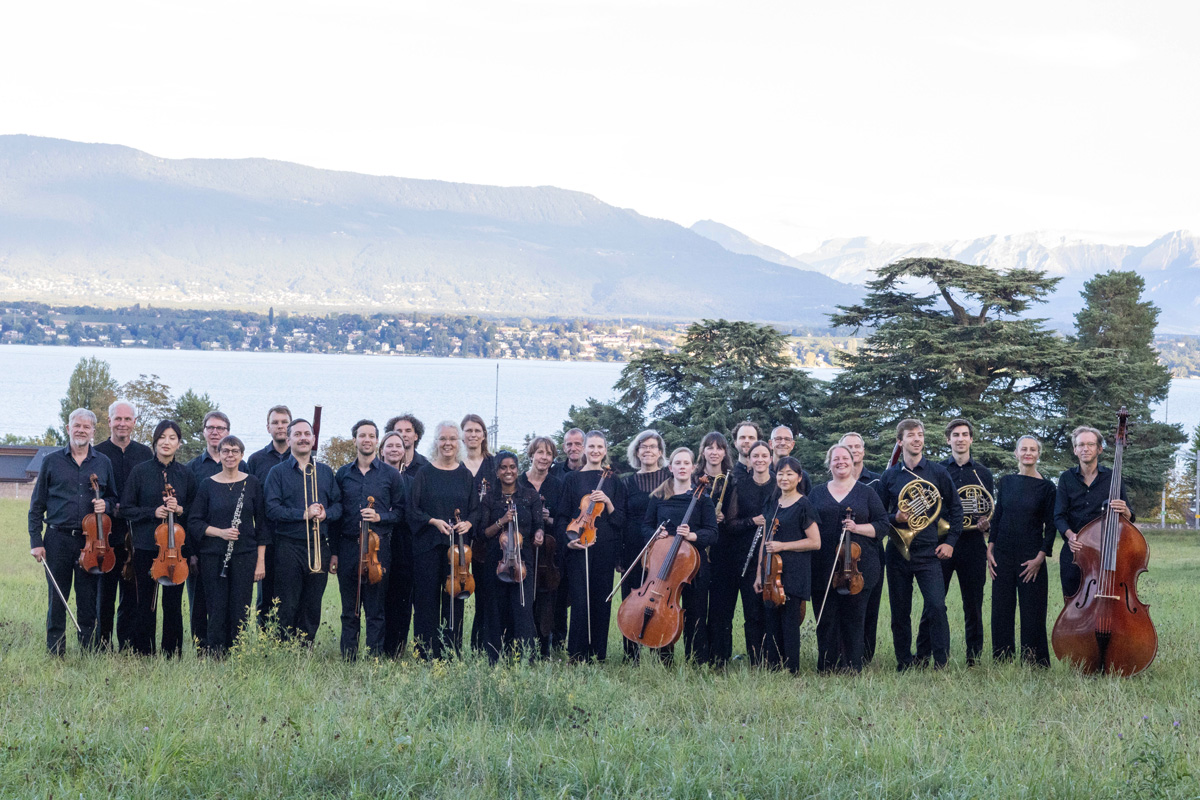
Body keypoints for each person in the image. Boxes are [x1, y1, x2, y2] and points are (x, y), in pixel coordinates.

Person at [28, 408, 118, 655]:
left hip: (91, 542)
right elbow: (36, 506)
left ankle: (88, 651)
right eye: (77, 425)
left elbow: (114, 499)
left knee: (88, 599)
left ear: (93, 431)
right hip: (57, 539)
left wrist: (106, 504)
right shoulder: (51, 461)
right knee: (58, 598)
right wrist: (36, 541)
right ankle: (56, 651)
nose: (81, 430)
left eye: (86, 427)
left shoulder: (103, 462)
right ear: (68, 428)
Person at [879, 419, 963, 671]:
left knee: (937, 606)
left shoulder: (937, 472)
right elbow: (879, 516)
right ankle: (904, 662)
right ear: (900, 441)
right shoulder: (890, 475)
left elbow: (956, 509)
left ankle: (941, 662)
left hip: (929, 552)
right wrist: (896, 517)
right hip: (898, 552)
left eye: (920, 435)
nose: (917, 439)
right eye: (911, 435)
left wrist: (950, 542)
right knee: (900, 611)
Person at [916, 419, 994, 666]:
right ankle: (922, 655)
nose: (960, 439)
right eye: (956, 435)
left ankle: (974, 658)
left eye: (964, 434)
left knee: (973, 604)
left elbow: (987, 508)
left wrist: (986, 525)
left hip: (972, 544)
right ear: (948, 440)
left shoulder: (983, 473)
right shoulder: (937, 470)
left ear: (971, 439)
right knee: (934, 603)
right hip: (942, 543)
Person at [808, 444, 887, 673]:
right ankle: (827, 666)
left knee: (854, 617)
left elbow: (883, 525)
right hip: (823, 565)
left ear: (853, 463)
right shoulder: (817, 493)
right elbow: (807, 523)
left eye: (845, 458)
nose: (840, 462)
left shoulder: (867, 492)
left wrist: (857, 528)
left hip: (858, 567)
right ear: (829, 464)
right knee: (826, 617)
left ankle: (853, 665)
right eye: (836, 459)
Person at [330, 420, 405, 660]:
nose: (367, 440)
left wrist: (380, 516)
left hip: (377, 549)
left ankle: (374, 658)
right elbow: (336, 516)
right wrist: (334, 552)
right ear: (355, 440)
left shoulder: (391, 474)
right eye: (362, 435)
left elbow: (401, 512)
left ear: (377, 441)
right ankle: (348, 657)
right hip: (348, 546)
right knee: (349, 609)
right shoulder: (342, 474)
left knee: (376, 609)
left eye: (371, 436)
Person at [122, 420, 197, 657]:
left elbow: (196, 510)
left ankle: (172, 653)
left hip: (175, 549)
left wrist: (180, 509)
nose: (167, 442)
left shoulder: (185, 474)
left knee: (173, 604)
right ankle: (144, 651)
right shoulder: (140, 471)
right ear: (155, 441)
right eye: (162, 437)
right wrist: (152, 512)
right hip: (146, 547)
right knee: (145, 602)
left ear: (179, 443)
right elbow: (125, 508)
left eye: (172, 438)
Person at [264, 418, 342, 643]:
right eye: (297, 434)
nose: (303, 438)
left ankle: (305, 649)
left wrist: (326, 513)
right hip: (288, 546)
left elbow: (339, 506)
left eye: (307, 434)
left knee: (312, 603)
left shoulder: (325, 472)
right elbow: (271, 509)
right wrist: (303, 514)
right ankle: (284, 649)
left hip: (319, 546)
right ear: (288, 440)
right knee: (286, 603)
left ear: (313, 439)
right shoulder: (277, 472)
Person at [189, 435, 267, 657]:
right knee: (216, 606)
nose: (230, 455)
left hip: (245, 555)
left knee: (240, 606)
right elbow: (194, 522)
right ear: (219, 454)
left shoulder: (252, 483)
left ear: (241, 455)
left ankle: (237, 653)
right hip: (213, 555)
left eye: (234, 451)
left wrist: (260, 562)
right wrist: (220, 533)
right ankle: (216, 653)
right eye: (225, 451)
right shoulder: (207, 484)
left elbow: (262, 526)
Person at [406, 421, 479, 659]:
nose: (448, 443)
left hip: (457, 551)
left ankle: (451, 652)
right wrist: (433, 521)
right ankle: (425, 653)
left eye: (452, 439)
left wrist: (468, 523)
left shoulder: (465, 475)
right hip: (427, 547)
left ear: (458, 443)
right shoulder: (424, 473)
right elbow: (412, 510)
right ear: (436, 442)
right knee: (426, 601)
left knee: (454, 600)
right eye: (443, 439)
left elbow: (475, 511)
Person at [639, 447, 717, 664]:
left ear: (693, 468)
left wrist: (693, 535)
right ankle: (662, 659)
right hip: (663, 564)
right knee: (661, 610)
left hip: (692, 565)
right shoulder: (658, 496)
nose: (682, 467)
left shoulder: (703, 498)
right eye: (678, 463)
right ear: (670, 467)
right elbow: (645, 527)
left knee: (696, 612)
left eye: (686, 463)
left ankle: (696, 660)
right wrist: (656, 534)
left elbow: (713, 533)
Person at [988, 435, 1056, 666]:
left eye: (1033, 449)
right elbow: (998, 516)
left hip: (1031, 556)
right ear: (1016, 453)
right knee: (1001, 609)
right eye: (1024, 449)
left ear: (1038, 454)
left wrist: (1041, 557)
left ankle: (1034, 661)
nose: (1028, 453)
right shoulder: (1006, 482)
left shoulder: (1047, 488)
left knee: (1033, 611)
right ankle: (1002, 659)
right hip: (1002, 554)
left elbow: (1051, 526)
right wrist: (990, 548)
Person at [558, 430, 625, 662]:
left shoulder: (614, 481)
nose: (595, 451)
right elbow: (563, 516)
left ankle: (598, 654)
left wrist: (608, 502)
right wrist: (569, 541)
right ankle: (577, 654)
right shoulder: (571, 479)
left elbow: (620, 521)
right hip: (579, 546)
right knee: (580, 600)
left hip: (605, 547)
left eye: (600, 447)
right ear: (584, 449)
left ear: (605, 450)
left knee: (601, 600)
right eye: (591, 446)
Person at [93, 399, 153, 651]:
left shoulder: (145, 453)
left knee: (131, 595)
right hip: (105, 535)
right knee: (104, 595)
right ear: (109, 421)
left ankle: (127, 645)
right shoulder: (97, 453)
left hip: (136, 535)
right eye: (118, 418)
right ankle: (102, 645)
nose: (122, 423)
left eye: (128, 419)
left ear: (135, 422)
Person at [753, 457, 821, 674]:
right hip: (770, 572)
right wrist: (759, 574)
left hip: (794, 571)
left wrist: (783, 546)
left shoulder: (804, 505)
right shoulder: (772, 502)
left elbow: (815, 542)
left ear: (799, 478)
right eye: (781, 473)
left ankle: (792, 670)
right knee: (771, 621)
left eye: (790, 474)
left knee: (790, 623)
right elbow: (765, 541)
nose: (784, 478)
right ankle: (773, 667)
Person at [1055, 425, 1134, 599]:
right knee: (1073, 604)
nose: (1085, 448)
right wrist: (1070, 536)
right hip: (1074, 552)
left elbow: (1130, 516)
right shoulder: (1066, 478)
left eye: (1090, 444)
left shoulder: (1113, 477)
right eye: (1081, 445)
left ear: (1099, 449)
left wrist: (1126, 511)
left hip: (1105, 552)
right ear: (1075, 450)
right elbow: (1059, 516)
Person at [478, 451, 543, 662]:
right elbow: (483, 533)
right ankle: (496, 656)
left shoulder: (530, 495)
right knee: (497, 608)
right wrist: (502, 521)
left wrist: (539, 534)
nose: (509, 471)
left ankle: (524, 657)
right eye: (503, 467)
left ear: (517, 469)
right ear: (497, 472)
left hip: (522, 560)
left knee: (522, 608)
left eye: (512, 467)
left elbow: (538, 525)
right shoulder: (490, 499)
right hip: (496, 561)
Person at [186, 411, 243, 651]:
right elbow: (189, 515)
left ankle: (228, 649)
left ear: (227, 432)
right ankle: (202, 650)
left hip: (233, 550)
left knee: (229, 602)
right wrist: (191, 552)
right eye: (210, 427)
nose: (215, 432)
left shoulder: (242, 466)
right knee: (199, 602)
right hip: (200, 547)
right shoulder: (192, 468)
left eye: (220, 428)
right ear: (204, 432)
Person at [618, 429, 669, 663]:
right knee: (632, 599)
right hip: (632, 547)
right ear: (637, 452)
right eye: (643, 447)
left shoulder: (669, 478)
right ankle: (631, 655)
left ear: (660, 452)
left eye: (652, 447)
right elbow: (622, 518)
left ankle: (662, 652)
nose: (648, 450)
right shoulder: (627, 482)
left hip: (663, 548)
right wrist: (619, 555)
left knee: (660, 599)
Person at [840, 431, 886, 664]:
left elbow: (884, 518)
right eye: (848, 447)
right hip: (842, 554)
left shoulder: (877, 481)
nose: (854, 450)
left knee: (870, 605)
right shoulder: (834, 481)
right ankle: (843, 652)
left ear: (863, 450)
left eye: (857, 446)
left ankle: (866, 655)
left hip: (870, 552)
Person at [248, 405, 291, 628]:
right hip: (267, 536)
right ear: (268, 428)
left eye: (284, 422)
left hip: (294, 537)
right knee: (265, 594)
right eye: (275, 422)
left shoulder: (305, 459)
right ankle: (264, 638)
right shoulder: (256, 460)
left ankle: (289, 639)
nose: (280, 426)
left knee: (291, 594)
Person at [520, 436, 563, 656]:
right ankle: (522, 644)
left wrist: (549, 519)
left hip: (549, 553)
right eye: (540, 452)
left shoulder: (558, 485)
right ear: (532, 455)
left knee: (547, 600)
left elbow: (564, 520)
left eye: (549, 454)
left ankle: (546, 646)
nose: (544, 457)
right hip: (523, 549)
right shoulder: (519, 482)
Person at [461, 413, 496, 652]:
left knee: (486, 592)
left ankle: (481, 645)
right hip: (460, 533)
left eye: (477, 430)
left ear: (484, 435)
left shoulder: (494, 464)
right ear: (462, 435)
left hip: (487, 536)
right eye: (468, 430)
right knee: (458, 589)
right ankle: (452, 643)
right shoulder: (455, 463)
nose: (473, 435)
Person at [379, 430, 416, 657]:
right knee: (379, 598)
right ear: (381, 450)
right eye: (390, 445)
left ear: (404, 451)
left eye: (398, 446)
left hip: (404, 545)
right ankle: (378, 646)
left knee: (401, 598)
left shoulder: (412, 481)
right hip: (378, 544)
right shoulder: (374, 477)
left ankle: (397, 649)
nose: (394, 449)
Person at [769, 425, 811, 494]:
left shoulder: (802, 477)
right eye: (778, 439)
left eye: (787, 439)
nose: (783, 443)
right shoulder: (764, 474)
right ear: (770, 444)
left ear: (792, 445)